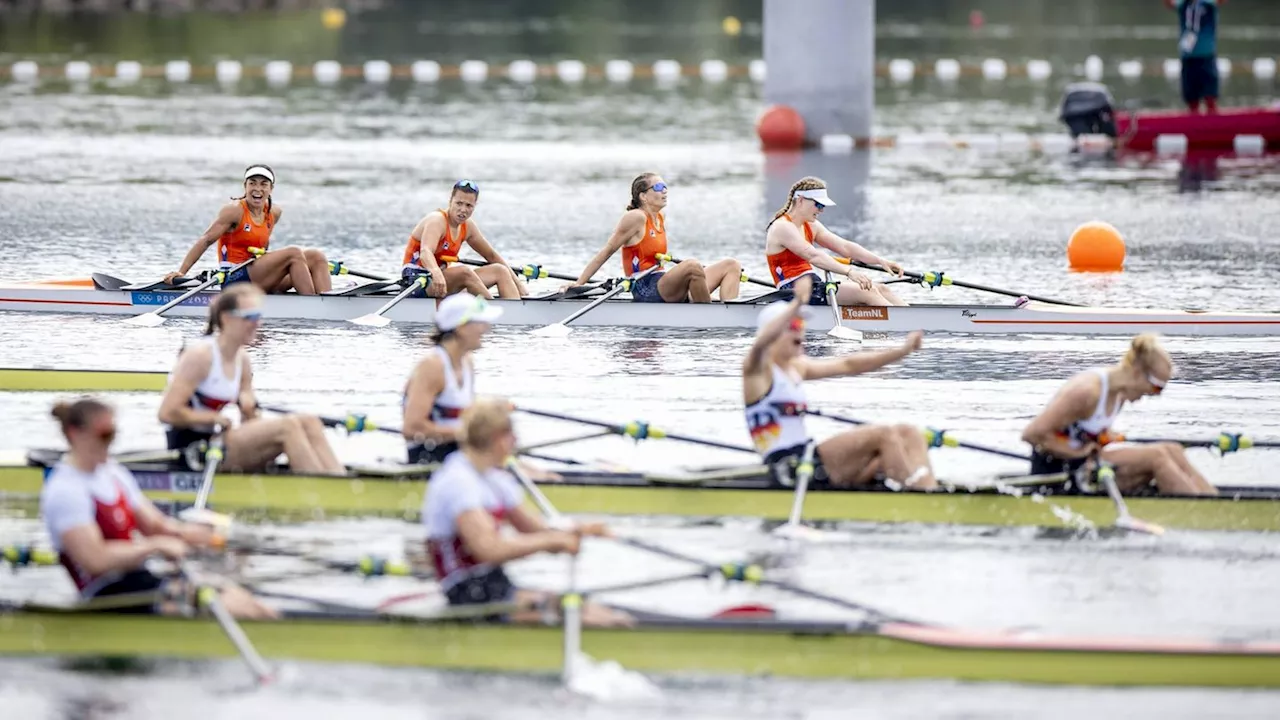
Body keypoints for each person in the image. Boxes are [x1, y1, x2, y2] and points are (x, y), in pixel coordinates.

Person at [40, 397, 276, 619]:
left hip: (136, 580)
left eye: (113, 435)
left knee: (249, 603)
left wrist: (189, 533)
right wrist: (154, 547)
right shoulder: (65, 490)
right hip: (106, 596)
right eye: (104, 435)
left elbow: (154, 525)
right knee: (235, 607)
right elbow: (95, 560)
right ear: (75, 434)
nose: (110, 443)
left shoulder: (113, 473)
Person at [423, 398, 633, 627]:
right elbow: (488, 549)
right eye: (512, 436)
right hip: (465, 593)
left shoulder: (494, 478)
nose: (516, 442)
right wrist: (549, 543)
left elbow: (533, 527)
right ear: (498, 439)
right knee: (590, 618)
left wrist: (583, 529)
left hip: (494, 583)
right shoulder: (458, 481)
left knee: (597, 611)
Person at [742, 274, 936, 490]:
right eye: (794, 325)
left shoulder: (797, 368)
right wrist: (797, 302)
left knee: (909, 433)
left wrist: (903, 351)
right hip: (786, 467)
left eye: (801, 324)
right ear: (774, 333)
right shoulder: (756, 370)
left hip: (809, 458)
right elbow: (762, 342)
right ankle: (920, 499)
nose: (801, 329)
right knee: (883, 435)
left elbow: (850, 365)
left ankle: (929, 490)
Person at [158, 284, 345, 475]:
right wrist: (213, 417)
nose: (257, 323)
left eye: (258, 316)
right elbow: (167, 413)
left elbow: (249, 419)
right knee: (288, 426)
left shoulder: (243, 360)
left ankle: (339, 483)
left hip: (221, 441)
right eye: (249, 317)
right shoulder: (200, 356)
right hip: (193, 451)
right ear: (226, 318)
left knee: (309, 421)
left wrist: (250, 413)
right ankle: (316, 492)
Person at [1022, 333, 1217, 496]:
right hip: (1059, 475)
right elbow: (1032, 434)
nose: (1153, 395)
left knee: (1172, 450)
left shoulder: (1119, 394)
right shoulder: (1087, 392)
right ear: (1137, 373)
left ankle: (1213, 504)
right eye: (1156, 388)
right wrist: (1078, 453)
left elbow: (1083, 431)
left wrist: (1105, 437)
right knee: (1157, 457)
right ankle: (1198, 514)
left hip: (1089, 465)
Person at [566, 173, 742, 303]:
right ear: (643, 196)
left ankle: (728, 310)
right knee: (692, 266)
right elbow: (607, 251)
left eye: (665, 187)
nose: (664, 191)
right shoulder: (635, 217)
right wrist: (579, 284)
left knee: (732, 265)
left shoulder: (660, 217)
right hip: (646, 287)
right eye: (658, 188)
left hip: (663, 281)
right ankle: (708, 315)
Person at [164, 165, 333, 295]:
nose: (257, 189)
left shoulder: (274, 212)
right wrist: (182, 272)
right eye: (252, 183)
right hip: (234, 278)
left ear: (271, 189)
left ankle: (327, 300)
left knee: (316, 256)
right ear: (245, 186)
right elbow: (206, 239)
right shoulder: (234, 211)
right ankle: (312, 303)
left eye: (263, 184)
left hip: (258, 274)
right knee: (294, 252)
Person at [766, 177, 907, 307]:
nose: (821, 210)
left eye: (823, 206)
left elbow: (845, 247)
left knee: (882, 288)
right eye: (818, 205)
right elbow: (813, 256)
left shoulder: (811, 225)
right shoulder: (782, 226)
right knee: (866, 291)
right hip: (792, 291)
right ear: (801, 200)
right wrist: (849, 272)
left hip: (814, 286)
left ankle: (913, 320)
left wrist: (879, 260)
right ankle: (903, 326)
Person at [401, 180, 528, 300]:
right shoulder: (437, 220)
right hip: (416, 281)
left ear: (474, 206)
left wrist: (519, 285)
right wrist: (436, 272)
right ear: (450, 201)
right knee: (464, 272)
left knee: (500, 270)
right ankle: (494, 312)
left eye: (469, 205)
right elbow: (426, 252)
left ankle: (515, 308)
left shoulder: (468, 227)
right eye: (459, 203)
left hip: (441, 280)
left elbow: (492, 256)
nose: (463, 210)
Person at [1165, 0, 1224, 113]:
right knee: (1192, 100)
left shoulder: (1209, 3)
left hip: (1206, 55)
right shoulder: (1183, 4)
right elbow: (1169, 4)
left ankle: (1214, 124)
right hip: (1188, 56)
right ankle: (1193, 123)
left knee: (1210, 98)